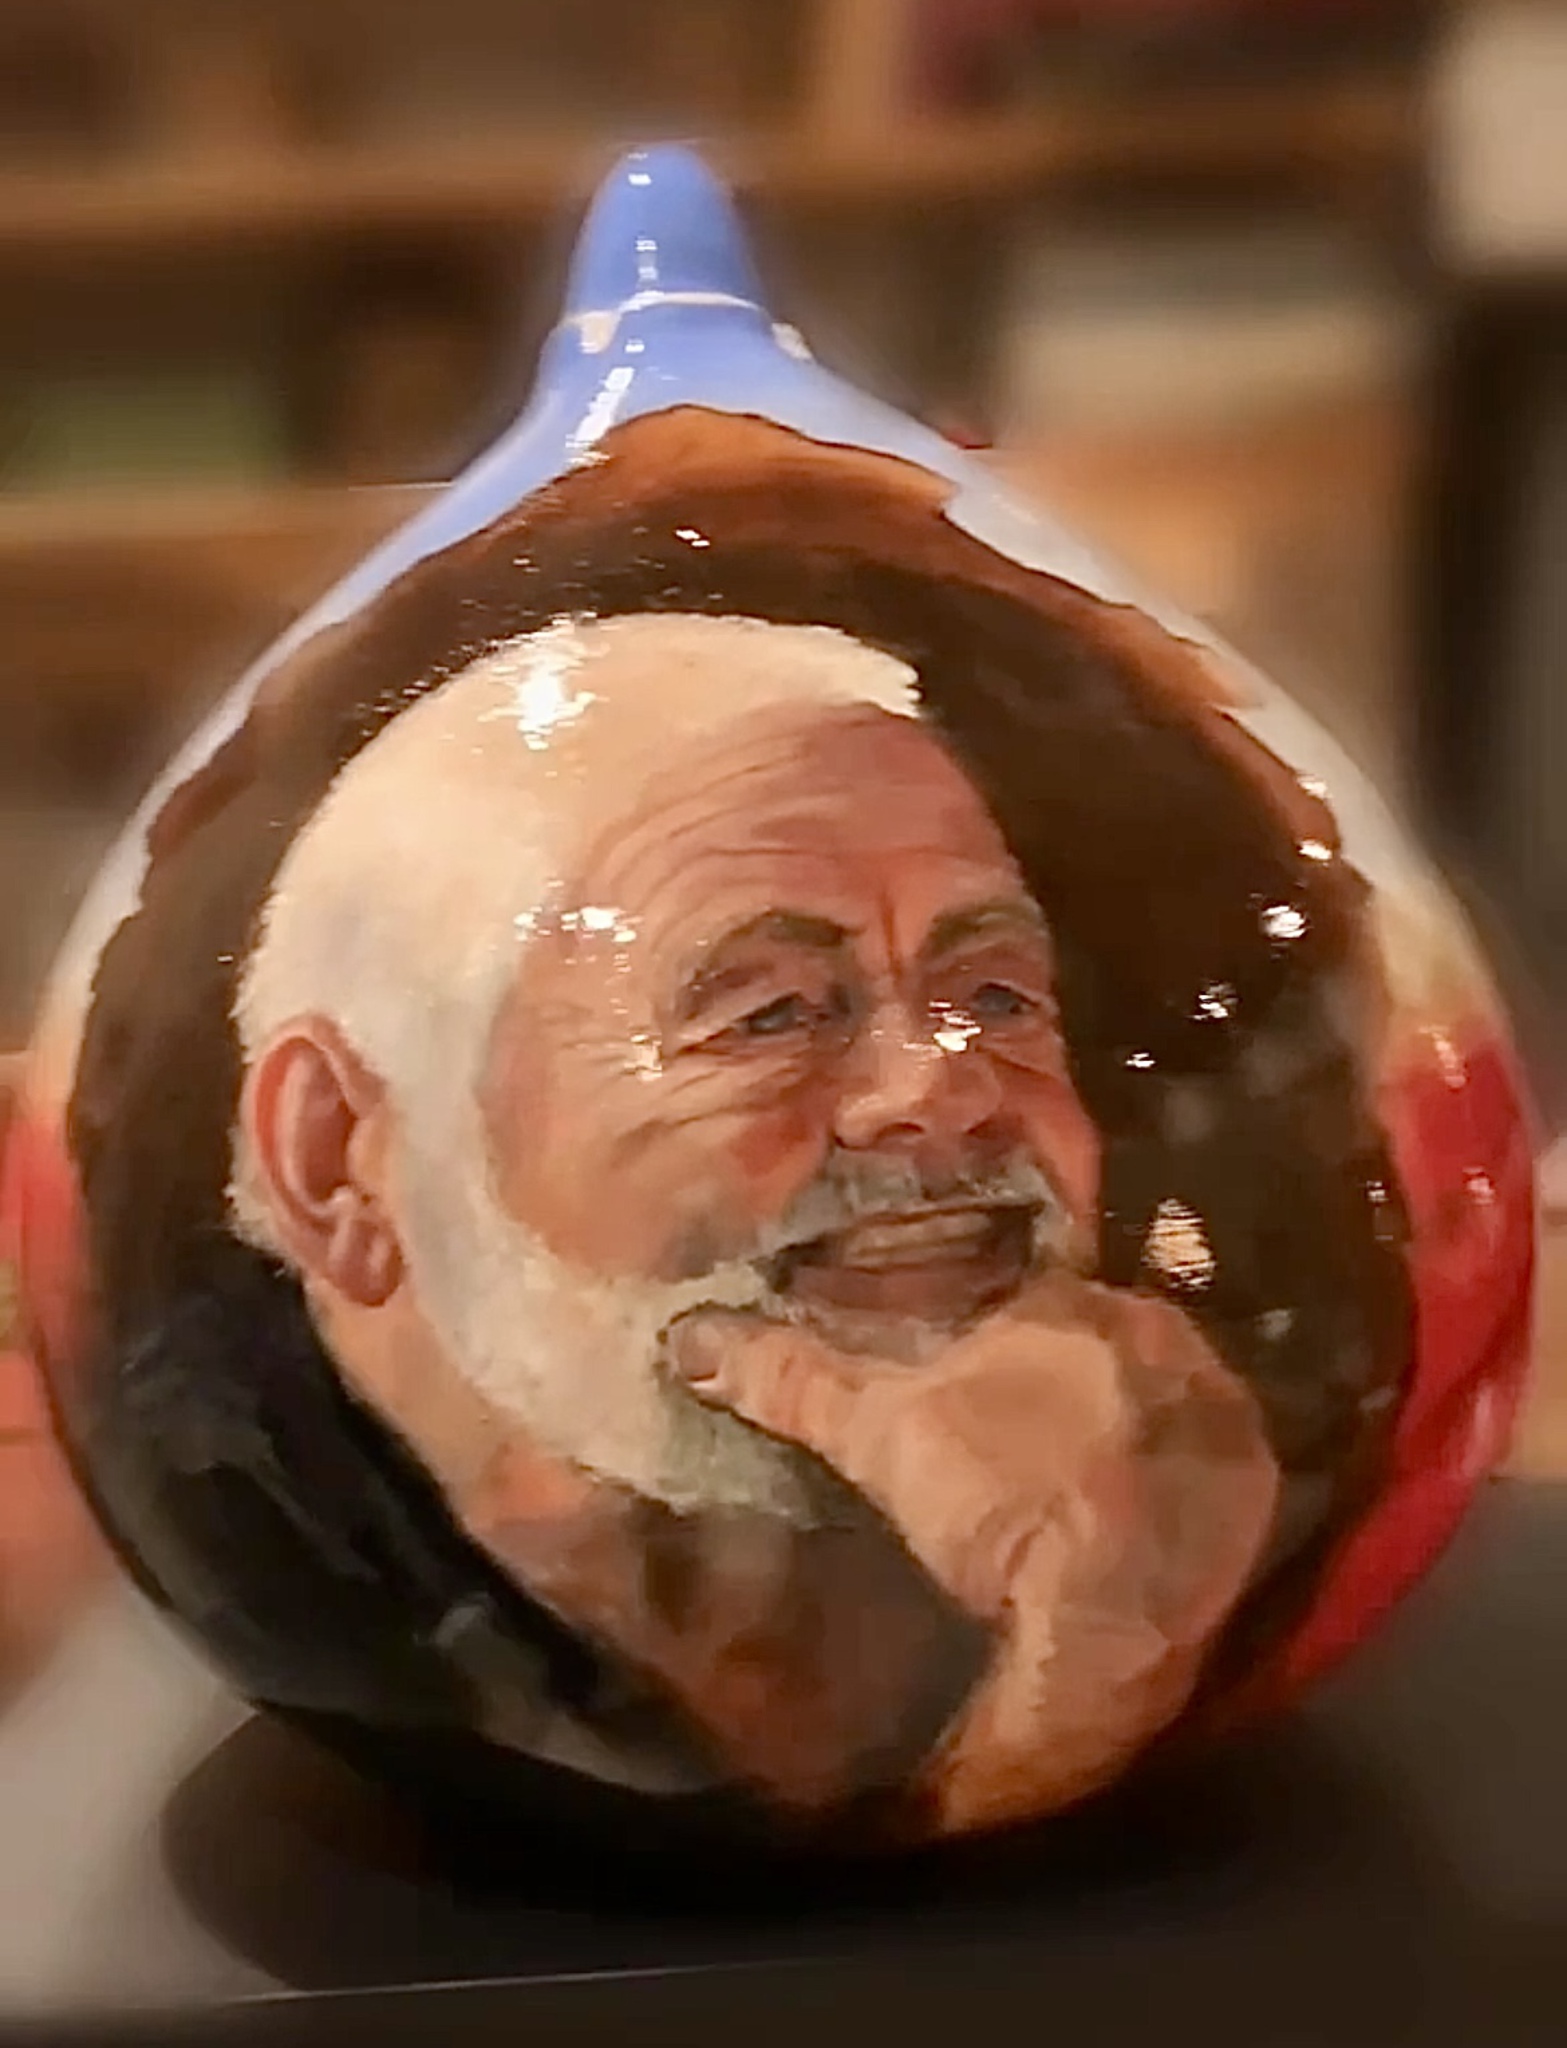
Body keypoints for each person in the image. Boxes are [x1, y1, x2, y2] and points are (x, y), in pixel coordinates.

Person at [227, 606, 1279, 1838]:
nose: (941, 1090)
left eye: (995, 994)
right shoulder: (265, 1563)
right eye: (769, 1011)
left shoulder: (1039, 1504)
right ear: (336, 1160)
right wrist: (1072, 1701)